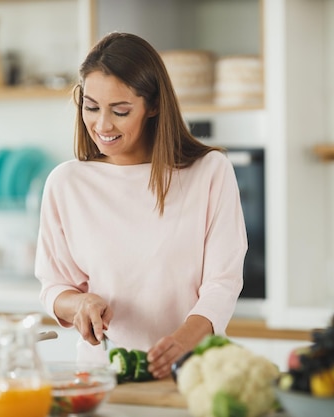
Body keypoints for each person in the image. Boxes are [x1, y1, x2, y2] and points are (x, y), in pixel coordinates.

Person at [34, 32, 247, 379]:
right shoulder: (66, 183)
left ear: (153, 105)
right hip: (103, 376)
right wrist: (81, 305)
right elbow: (54, 287)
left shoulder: (209, 172)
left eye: (120, 111)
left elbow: (222, 282)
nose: (102, 125)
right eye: (91, 107)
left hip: (194, 373)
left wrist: (184, 341)